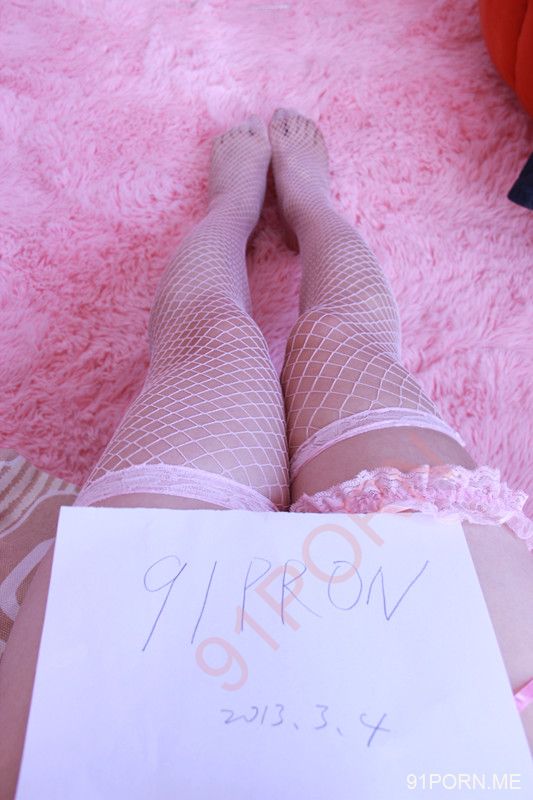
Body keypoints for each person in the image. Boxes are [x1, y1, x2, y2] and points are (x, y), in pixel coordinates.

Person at [0, 109, 532, 796]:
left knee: (211, 340)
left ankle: (238, 211)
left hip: (123, 706)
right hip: (469, 707)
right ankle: (305, 206)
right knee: (344, 338)